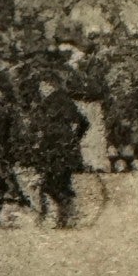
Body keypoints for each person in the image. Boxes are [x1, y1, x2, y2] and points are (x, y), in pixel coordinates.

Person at [27, 75, 91, 226]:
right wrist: (75, 139)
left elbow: (37, 126)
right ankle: (66, 216)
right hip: (65, 149)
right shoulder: (64, 101)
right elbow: (84, 123)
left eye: (43, 86)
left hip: (55, 149)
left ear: (50, 85)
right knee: (60, 184)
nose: (41, 90)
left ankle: (67, 215)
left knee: (51, 185)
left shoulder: (51, 102)